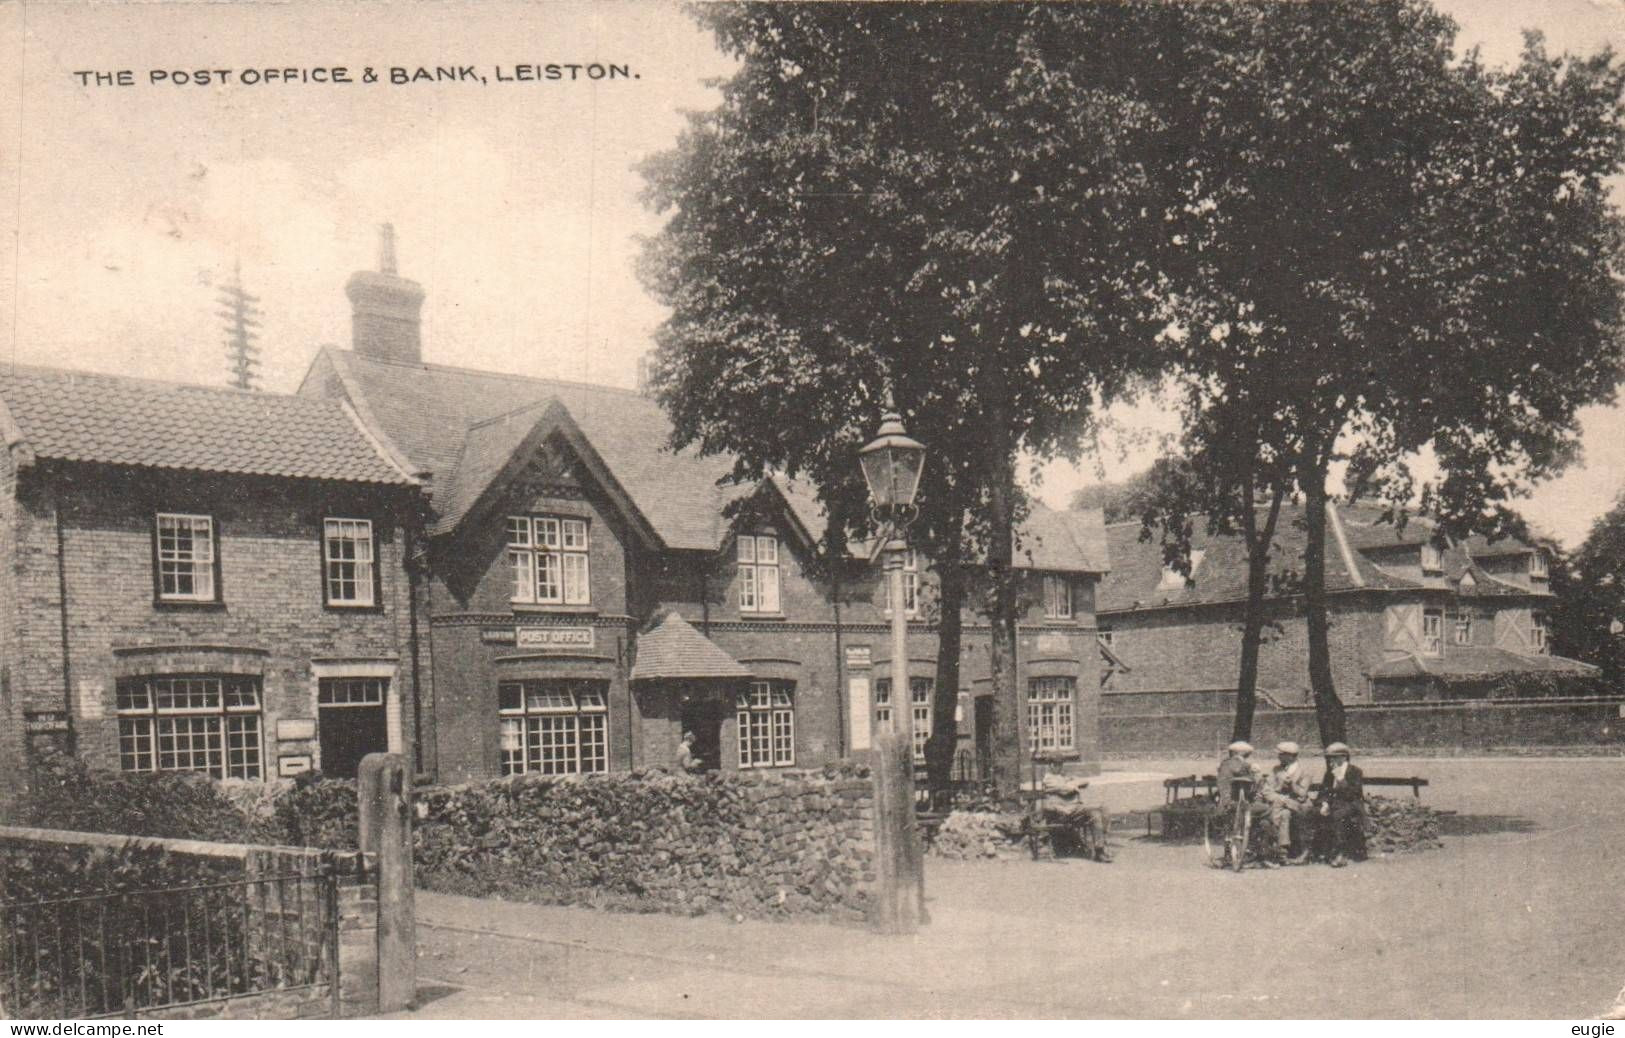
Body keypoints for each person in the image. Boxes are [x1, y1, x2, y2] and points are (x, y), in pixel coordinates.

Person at [1038, 770, 1112, 862]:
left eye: (1060, 763)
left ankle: (1099, 850)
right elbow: (1065, 790)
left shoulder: (1063, 776)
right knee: (1094, 811)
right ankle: (1101, 846)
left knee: (1097, 812)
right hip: (1061, 811)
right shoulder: (1048, 778)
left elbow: (1085, 782)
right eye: (1055, 763)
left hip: (1075, 809)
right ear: (1051, 765)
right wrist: (1072, 784)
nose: (1058, 766)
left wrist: (1071, 783)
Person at [1260, 741, 1313, 865]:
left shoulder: (1305, 771)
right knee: (1284, 814)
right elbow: (1267, 790)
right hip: (1281, 805)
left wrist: (1291, 785)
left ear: (1290, 756)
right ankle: (1283, 851)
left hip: (1299, 805)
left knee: (1283, 811)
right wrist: (1280, 798)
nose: (1278, 757)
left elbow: (1302, 794)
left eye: (1281, 755)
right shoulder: (1276, 770)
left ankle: (1277, 847)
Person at [1313, 741, 1366, 867]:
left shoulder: (1355, 771)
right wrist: (1324, 804)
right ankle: (1316, 851)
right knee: (1313, 812)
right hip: (1333, 804)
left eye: (1334, 757)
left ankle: (1340, 853)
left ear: (1343, 757)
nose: (1331, 761)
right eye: (1330, 758)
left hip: (1351, 804)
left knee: (1338, 816)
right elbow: (1324, 792)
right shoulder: (1329, 773)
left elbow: (1353, 794)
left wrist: (1341, 779)